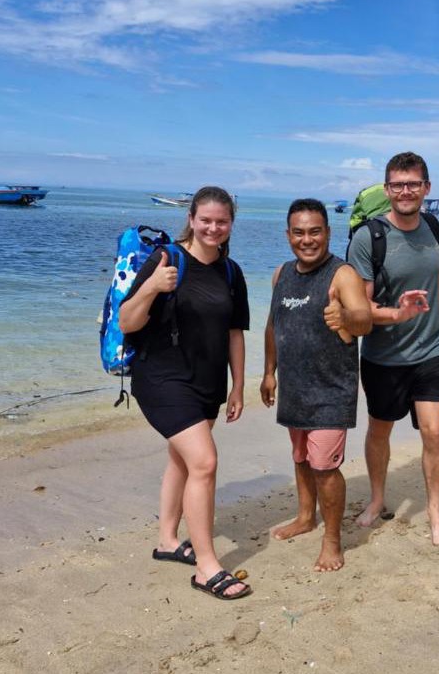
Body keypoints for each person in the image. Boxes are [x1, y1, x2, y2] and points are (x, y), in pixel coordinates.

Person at [119, 186, 252, 601]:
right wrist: (152, 286)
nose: (213, 227)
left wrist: (238, 386)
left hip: (206, 380)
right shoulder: (166, 259)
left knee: (183, 460)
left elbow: (234, 333)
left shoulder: (231, 272)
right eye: (206, 219)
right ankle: (207, 567)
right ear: (191, 218)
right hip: (160, 378)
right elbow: (126, 321)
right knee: (205, 462)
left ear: (231, 223)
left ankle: (167, 540)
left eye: (222, 221)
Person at [347, 151, 439, 546]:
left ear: (426, 188)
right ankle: (377, 500)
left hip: (431, 351)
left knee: (435, 430)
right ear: (387, 188)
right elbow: (360, 311)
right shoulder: (368, 238)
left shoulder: (435, 228)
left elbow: (438, 283)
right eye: (397, 184)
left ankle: (434, 510)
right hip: (383, 356)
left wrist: (435, 326)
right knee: (380, 431)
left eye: (413, 184)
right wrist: (399, 313)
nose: (405, 191)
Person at [261, 199, 372, 571]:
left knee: (324, 465)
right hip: (294, 386)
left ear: (328, 232)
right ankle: (306, 516)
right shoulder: (281, 274)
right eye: (299, 232)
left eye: (314, 231)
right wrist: (268, 372)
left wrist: (345, 317)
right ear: (288, 235)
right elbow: (273, 326)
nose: (307, 239)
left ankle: (332, 539)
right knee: (301, 458)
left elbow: (364, 321)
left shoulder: (342, 275)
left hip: (330, 389)